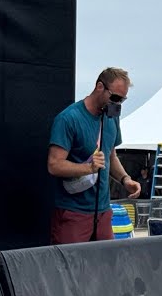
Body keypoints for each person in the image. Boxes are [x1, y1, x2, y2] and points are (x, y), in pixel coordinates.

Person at [47, 67, 141, 244]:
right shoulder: (68, 118)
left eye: (122, 100)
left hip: (103, 212)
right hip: (73, 213)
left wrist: (125, 179)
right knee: (70, 262)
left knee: (106, 261)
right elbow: (54, 165)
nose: (118, 104)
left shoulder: (112, 117)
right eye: (115, 98)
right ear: (99, 87)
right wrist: (88, 168)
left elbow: (111, 156)